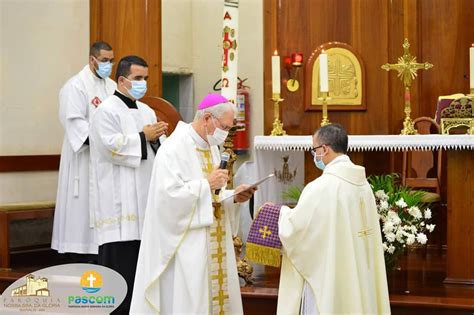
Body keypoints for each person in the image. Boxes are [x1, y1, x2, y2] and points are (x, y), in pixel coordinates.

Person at [130, 93, 256, 315]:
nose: (225, 134)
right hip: (188, 244)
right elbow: (166, 200)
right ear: (207, 118)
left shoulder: (211, 147)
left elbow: (213, 196)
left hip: (214, 241)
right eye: (224, 127)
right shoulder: (173, 149)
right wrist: (206, 184)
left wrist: (233, 197)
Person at [277, 124, 390, 315]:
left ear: (324, 149)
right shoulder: (364, 185)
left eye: (314, 150)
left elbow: (296, 229)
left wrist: (278, 213)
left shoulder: (321, 187)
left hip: (331, 274)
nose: (314, 155)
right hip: (360, 271)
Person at [89, 55, 168, 315]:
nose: (142, 83)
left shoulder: (146, 110)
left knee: (141, 274)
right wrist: (143, 136)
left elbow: (159, 149)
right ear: (121, 80)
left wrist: (157, 139)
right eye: (137, 79)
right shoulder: (106, 111)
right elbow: (110, 147)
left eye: (145, 78)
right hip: (118, 206)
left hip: (145, 200)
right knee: (120, 274)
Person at [52, 41, 116, 262]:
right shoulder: (75, 86)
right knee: (80, 215)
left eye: (111, 60)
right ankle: (77, 260)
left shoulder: (112, 86)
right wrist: (110, 139)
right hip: (83, 161)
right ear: (92, 60)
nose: (109, 65)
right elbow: (76, 126)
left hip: (106, 162)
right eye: (105, 60)